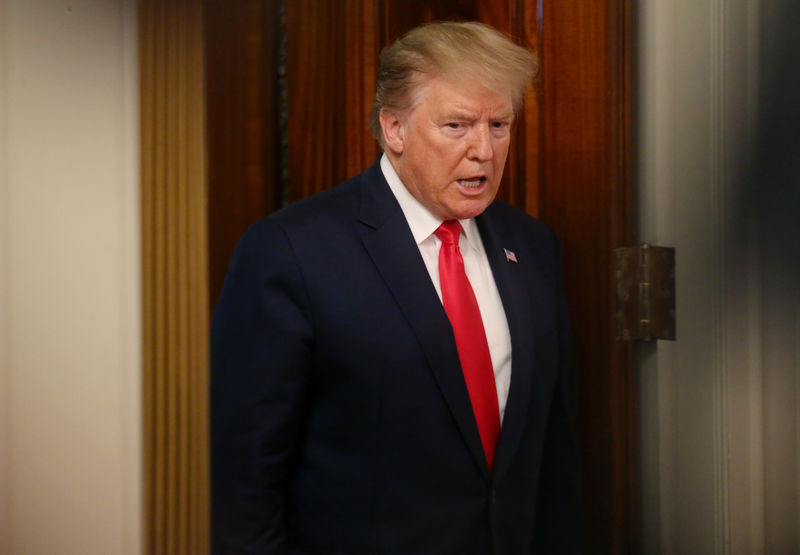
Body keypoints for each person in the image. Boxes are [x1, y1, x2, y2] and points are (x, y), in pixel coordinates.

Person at [211, 21, 584, 554]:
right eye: (457, 125)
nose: (484, 149)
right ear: (395, 129)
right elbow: (242, 478)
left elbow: (554, 457)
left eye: (498, 124)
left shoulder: (534, 247)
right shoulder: (291, 252)